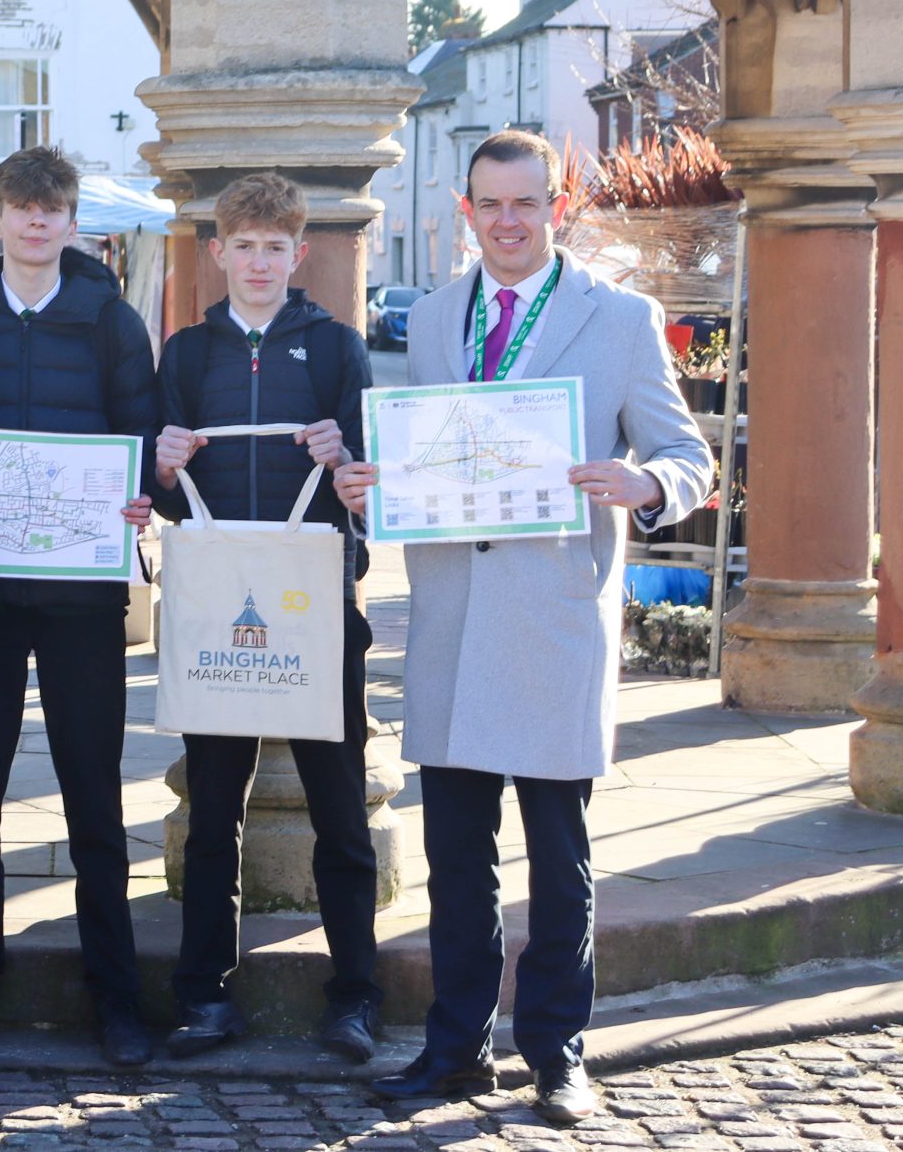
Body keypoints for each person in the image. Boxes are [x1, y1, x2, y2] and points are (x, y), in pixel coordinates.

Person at [335, 131, 712, 1127]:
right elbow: (428, 456)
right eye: (489, 206)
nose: (507, 222)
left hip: (552, 619)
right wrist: (375, 488)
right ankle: (454, 1048)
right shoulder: (431, 317)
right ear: (466, 212)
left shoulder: (620, 318)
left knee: (560, 861)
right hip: (454, 619)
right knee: (458, 861)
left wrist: (645, 484)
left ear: (557, 206)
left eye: (525, 204)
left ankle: (556, 1055)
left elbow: (686, 454)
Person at [0, 145, 161, 1067]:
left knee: (94, 799)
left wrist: (142, 490)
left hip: (83, 600)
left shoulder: (109, 323)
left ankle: (117, 996)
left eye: (52, 209)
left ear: (70, 220)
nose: (36, 222)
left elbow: (139, 436)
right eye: (20, 208)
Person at [150, 171, 380, 1063]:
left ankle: (353, 997)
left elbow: (370, 492)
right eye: (241, 246)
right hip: (216, 613)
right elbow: (164, 505)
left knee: (341, 813)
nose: (256, 261)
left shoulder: (336, 351)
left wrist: (346, 455)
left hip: (320, 607)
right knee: (214, 815)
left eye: (273, 247)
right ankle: (204, 995)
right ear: (217, 254)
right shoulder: (186, 354)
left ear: (299, 254)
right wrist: (162, 469)